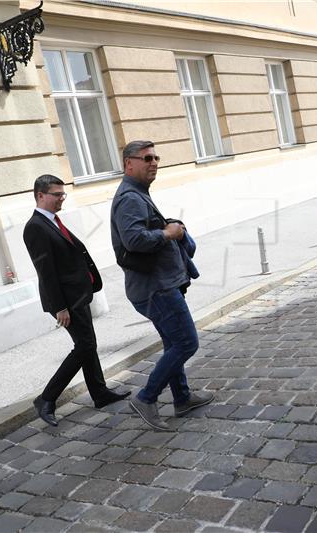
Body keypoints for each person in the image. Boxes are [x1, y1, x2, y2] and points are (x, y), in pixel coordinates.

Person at [111, 140, 214, 431]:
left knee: (173, 342)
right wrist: (168, 233)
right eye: (146, 158)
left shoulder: (137, 193)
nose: (154, 162)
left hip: (159, 284)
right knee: (186, 342)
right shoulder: (130, 197)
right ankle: (146, 398)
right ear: (129, 164)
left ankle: (182, 398)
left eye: (156, 157)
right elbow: (134, 240)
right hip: (156, 288)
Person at [24, 175, 130, 427]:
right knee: (84, 346)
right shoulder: (35, 227)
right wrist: (60, 306)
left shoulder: (52, 221)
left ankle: (100, 393)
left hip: (77, 296)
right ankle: (47, 398)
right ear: (40, 195)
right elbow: (45, 271)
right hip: (65, 302)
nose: (62, 198)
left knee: (88, 345)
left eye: (63, 194)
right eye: (56, 194)